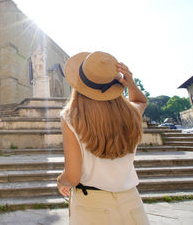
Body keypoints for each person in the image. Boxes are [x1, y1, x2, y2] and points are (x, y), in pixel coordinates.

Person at [57, 51, 149, 225]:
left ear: (79, 82)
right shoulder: (131, 112)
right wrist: (132, 85)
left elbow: (73, 177)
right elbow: (141, 101)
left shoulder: (70, 118)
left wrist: (60, 181)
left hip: (91, 207)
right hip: (132, 204)